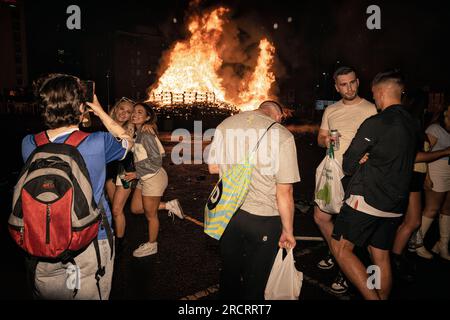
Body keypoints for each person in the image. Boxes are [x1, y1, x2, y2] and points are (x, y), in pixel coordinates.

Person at [22, 73, 134, 299]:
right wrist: (100, 110)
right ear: (81, 107)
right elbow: (127, 140)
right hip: (92, 236)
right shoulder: (97, 142)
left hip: (43, 237)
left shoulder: (29, 143)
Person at [330, 70, 418, 300]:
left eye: (374, 94)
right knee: (379, 256)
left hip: (368, 198)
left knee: (341, 248)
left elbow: (348, 164)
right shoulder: (413, 122)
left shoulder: (376, 122)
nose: (375, 100)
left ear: (380, 92)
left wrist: (360, 159)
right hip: (396, 202)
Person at [207, 100, 300, 300]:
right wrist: (288, 231)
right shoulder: (282, 135)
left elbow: (213, 167)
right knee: (256, 280)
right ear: (278, 116)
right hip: (264, 218)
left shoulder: (226, 124)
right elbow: (285, 191)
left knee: (229, 273)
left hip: (229, 213)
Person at [314, 66, 377, 294]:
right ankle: (336, 253)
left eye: (352, 82)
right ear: (336, 87)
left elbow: (379, 142)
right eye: (343, 84)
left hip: (358, 175)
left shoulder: (372, 109)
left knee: (349, 227)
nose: (348, 88)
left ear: (358, 82)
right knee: (321, 216)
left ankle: (345, 273)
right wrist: (326, 142)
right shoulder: (330, 110)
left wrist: (370, 154)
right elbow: (321, 138)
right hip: (333, 171)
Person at [391, 93, 450, 281]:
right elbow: (416, 156)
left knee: (411, 221)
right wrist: (445, 152)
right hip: (411, 176)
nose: (437, 105)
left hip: (414, 176)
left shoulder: (423, 123)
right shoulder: (418, 125)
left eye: (439, 102)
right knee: (410, 221)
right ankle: (397, 258)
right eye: (432, 101)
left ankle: (397, 258)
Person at [124, 102, 184, 258]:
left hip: (153, 177)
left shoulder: (146, 133)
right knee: (136, 208)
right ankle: (168, 205)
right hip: (146, 176)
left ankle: (152, 245)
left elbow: (157, 160)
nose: (135, 114)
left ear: (147, 117)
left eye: (140, 112)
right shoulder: (139, 133)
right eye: (134, 112)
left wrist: (137, 174)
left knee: (151, 216)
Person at [414, 105, 450, 260]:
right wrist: (427, 177)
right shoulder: (435, 128)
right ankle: (416, 243)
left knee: (447, 209)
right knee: (432, 209)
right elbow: (424, 154)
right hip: (436, 172)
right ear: (446, 112)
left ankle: (442, 245)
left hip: (448, 172)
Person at [103, 97, 135, 252]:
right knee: (112, 207)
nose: (124, 113)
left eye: (128, 112)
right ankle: (114, 236)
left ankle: (120, 245)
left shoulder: (129, 130)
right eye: (122, 109)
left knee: (117, 209)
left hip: (125, 172)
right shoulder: (103, 124)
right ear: (115, 108)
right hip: (109, 172)